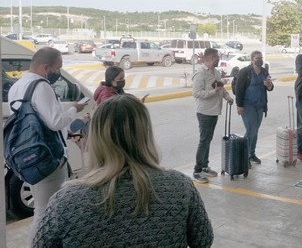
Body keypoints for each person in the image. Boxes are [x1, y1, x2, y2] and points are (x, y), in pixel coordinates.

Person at [31, 94, 214, 247]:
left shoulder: (65, 202)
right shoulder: (180, 187)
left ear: (97, 138)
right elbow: (204, 240)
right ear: (145, 134)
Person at [7, 47, 87, 243]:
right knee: (45, 212)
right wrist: (74, 109)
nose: (58, 73)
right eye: (58, 68)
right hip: (47, 158)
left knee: (41, 209)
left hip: (29, 156)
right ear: (46, 67)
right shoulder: (41, 86)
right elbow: (55, 121)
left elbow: (35, 122)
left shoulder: (18, 86)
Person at [192, 48, 234, 183]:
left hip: (214, 111)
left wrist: (227, 96)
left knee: (208, 139)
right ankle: (197, 170)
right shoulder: (200, 74)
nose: (218, 59)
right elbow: (197, 93)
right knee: (204, 140)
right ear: (208, 58)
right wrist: (213, 92)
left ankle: (205, 166)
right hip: (204, 112)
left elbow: (220, 87)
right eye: (216, 57)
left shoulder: (215, 72)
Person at [235, 50, 274, 165]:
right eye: (257, 58)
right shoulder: (245, 72)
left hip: (260, 105)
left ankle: (252, 153)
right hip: (248, 105)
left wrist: (269, 85)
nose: (259, 60)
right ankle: (244, 156)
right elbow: (239, 89)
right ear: (252, 59)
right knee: (251, 130)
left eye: (261, 57)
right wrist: (239, 106)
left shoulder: (264, 71)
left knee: (255, 130)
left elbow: (270, 87)